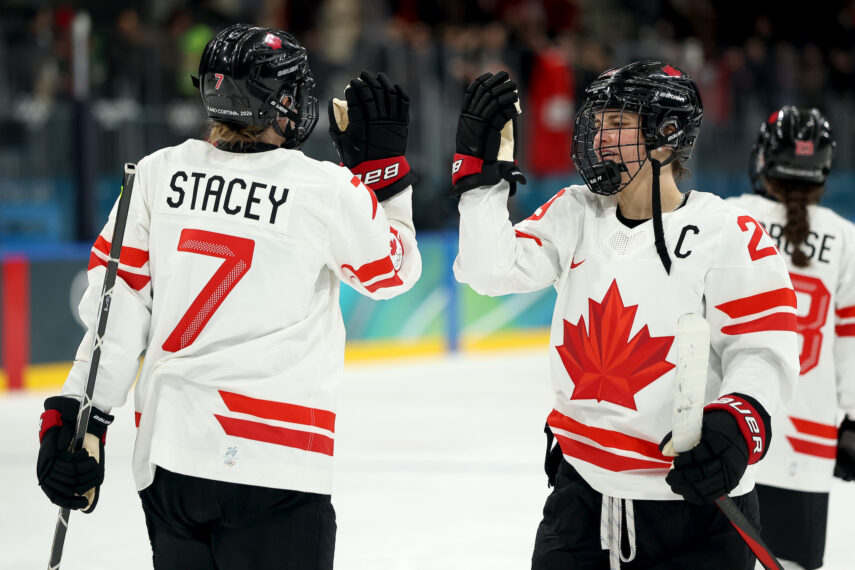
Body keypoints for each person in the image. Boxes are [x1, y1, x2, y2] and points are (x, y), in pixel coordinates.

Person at [35, 23, 421, 569]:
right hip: (275, 466)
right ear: (280, 102)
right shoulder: (324, 189)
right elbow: (393, 274)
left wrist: (80, 417)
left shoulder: (155, 174)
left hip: (171, 465)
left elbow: (113, 314)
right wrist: (384, 180)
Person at [451, 62, 799, 569]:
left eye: (617, 123)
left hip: (696, 516)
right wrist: (481, 184)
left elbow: (762, 348)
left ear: (666, 135)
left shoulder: (728, 232)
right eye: (598, 123)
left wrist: (738, 423)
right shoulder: (576, 212)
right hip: (581, 503)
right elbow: (488, 271)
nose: (600, 137)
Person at [728, 106, 855, 570]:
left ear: (765, 158)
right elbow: (850, 341)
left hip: (730, 434)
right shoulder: (846, 240)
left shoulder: (730, 218)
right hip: (810, 443)